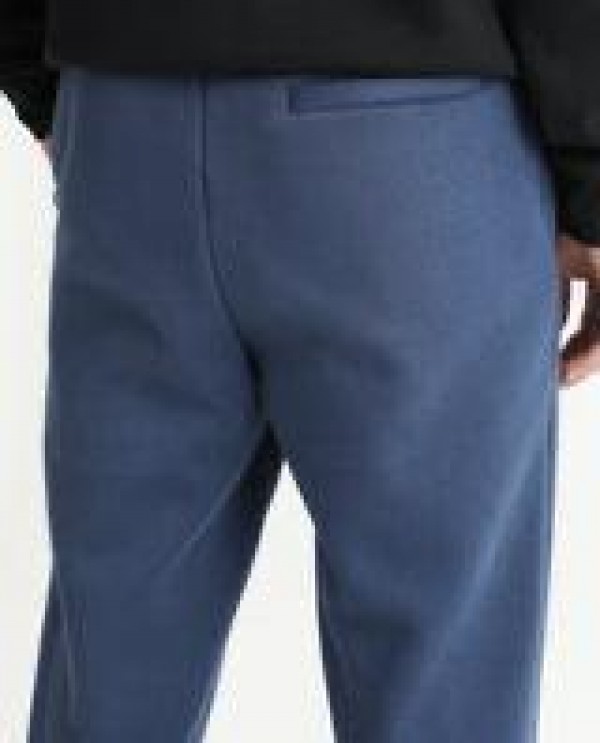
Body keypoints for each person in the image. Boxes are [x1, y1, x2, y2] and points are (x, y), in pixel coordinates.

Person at [1, 0, 599, 740]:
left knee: (113, 665)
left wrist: (47, 79)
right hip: (406, 149)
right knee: (441, 683)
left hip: (126, 127)